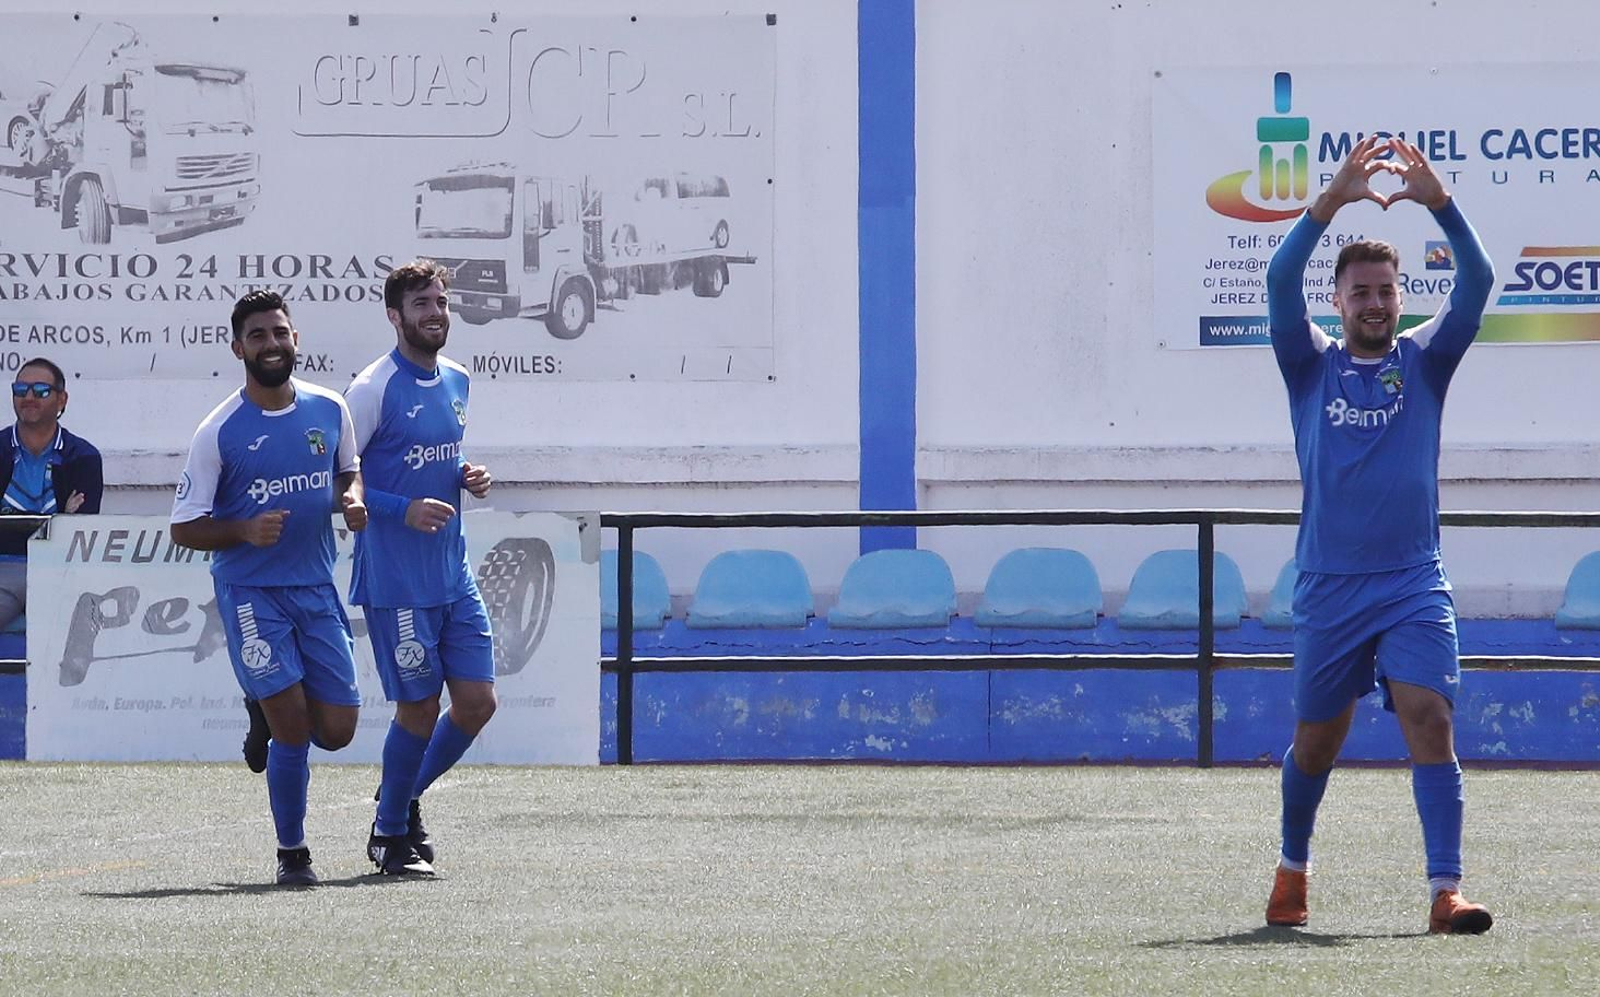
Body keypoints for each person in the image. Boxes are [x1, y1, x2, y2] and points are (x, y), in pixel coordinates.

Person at [1263, 136, 1496, 935]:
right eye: (1360, 291)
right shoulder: (1309, 363)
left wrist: (1441, 202)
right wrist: (1328, 201)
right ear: (1340, 300)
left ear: (1400, 297)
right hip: (1329, 584)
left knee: (1428, 713)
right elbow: (1276, 279)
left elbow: (1481, 280)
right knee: (1317, 745)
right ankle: (1293, 869)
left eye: (1385, 291)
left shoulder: (1427, 360)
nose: (1373, 302)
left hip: (1410, 579)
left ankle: (1445, 891)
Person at [171, 290, 368, 887]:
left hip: (314, 586)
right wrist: (242, 530)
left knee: (336, 731)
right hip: (251, 593)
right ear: (238, 349)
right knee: (292, 730)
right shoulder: (219, 430)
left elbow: (346, 471)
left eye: (280, 333)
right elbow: (184, 527)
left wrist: (353, 499)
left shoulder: (330, 408)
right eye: (257, 336)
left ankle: (261, 704)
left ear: (296, 339)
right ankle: (293, 853)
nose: (272, 344)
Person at [344, 259, 496, 876]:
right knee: (417, 708)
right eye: (421, 305)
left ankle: (398, 799)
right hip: (397, 580)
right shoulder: (372, 388)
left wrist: (466, 474)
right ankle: (390, 837)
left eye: (440, 302)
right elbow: (341, 484)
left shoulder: (458, 379)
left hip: (452, 574)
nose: (435, 313)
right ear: (394, 316)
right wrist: (400, 509)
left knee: (478, 702)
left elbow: (436, 458)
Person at [0, 357, 103, 629]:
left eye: (41, 391)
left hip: (60, 571)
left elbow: (77, 532)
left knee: (78, 631)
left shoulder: (83, 457)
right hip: (3, 568)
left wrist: (12, 520)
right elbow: (61, 526)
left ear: (61, 400)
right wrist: (57, 517)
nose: (29, 397)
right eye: (21, 390)